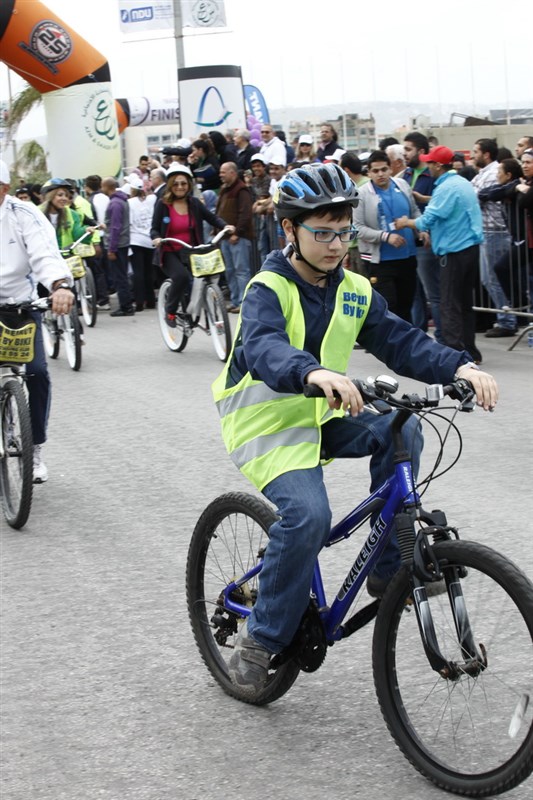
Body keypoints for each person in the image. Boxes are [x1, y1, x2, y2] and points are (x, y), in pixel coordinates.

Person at [211, 162, 498, 697]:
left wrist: (460, 367)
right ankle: (260, 638)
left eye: (343, 231)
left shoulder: (354, 288)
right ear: (289, 231)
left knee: (402, 429)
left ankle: (389, 569)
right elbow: (265, 346)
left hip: (324, 411)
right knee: (309, 517)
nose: (336, 243)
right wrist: (313, 372)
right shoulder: (266, 287)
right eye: (322, 232)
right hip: (267, 423)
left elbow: (402, 340)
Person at [0, 159, 74, 483]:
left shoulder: (24, 214)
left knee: (38, 373)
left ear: (4, 190)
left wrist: (59, 285)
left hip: (19, 304)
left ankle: (36, 448)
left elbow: (45, 253)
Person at [395, 145, 484, 363]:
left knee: (449, 304)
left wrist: (406, 222)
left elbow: (428, 220)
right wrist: (424, 199)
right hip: (470, 250)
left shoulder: (446, 188)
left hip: (454, 252)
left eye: (429, 163)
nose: (427, 166)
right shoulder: (460, 182)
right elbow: (445, 206)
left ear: (437, 165)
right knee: (464, 303)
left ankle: (454, 352)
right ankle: (471, 351)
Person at [151, 164, 231, 326]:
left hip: (192, 251)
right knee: (180, 277)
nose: (180, 187)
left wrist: (225, 226)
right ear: (170, 185)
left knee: (207, 278)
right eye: (176, 184)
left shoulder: (194, 203)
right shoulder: (163, 204)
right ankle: (170, 311)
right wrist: (157, 238)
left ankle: (211, 315)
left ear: (189, 185)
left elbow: (212, 218)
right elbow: (154, 229)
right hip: (169, 252)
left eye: (183, 183)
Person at [354, 150, 420, 321]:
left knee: (406, 305)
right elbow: (357, 227)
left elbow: (415, 212)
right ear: (368, 173)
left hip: (407, 256)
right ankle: (389, 345)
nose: (380, 174)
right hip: (380, 261)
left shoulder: (402, 185)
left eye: (384, 169)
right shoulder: (362, 194)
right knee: (388, 307)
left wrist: (421, 229)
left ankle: (407, 345)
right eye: (375, 171)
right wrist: (385, 236)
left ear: (390, 169)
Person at [472, 138, 517, 336]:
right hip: (487, 232)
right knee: (488, 279)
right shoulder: (484, 173)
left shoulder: (492, 173)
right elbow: (472, 193)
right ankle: (506, 317)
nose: (473, 156)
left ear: (486, 154)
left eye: (476, 152)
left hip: (495, 232)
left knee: (492, 278)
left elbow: (475, 197)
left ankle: (507, 319)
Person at [403, 132, 442, 342]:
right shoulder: (405, 175)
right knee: (415, 294)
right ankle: (419, 337)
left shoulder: (432, 174)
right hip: (411, 241)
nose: (405, 154)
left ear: (420, 150)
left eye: (408, 149)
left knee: (433, 294)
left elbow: (438, 204)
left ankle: (444, 338)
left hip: (429, 240)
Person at [216, 162, 254, 313]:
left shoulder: (242, 190)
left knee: (241, 271)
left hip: (239, 238)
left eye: (223, 172)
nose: (221, 175)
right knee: (230, 271)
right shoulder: (224, 190)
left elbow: (246, 214)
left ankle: (244, 302)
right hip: (226, 238)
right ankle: (235, 300)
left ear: (232, 173)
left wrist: (237, 232)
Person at [101, 177, 134, 317]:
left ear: (107, 187)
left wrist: (111, 248)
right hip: (123, 242)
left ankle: (125, 306)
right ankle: (127, 303)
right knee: (122, 274)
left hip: (118, 245)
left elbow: (115, 227)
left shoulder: (115, 203)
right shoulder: (121, 201)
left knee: (119, 276)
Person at [127, 176, 157, 311]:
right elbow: (152, 195)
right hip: (149, 239)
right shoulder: (151, 200)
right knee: (148, 271)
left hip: (136, 240)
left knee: (138, 272)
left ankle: (139, 301)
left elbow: (129, 221)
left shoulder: (130, 202)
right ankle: (151, 300)